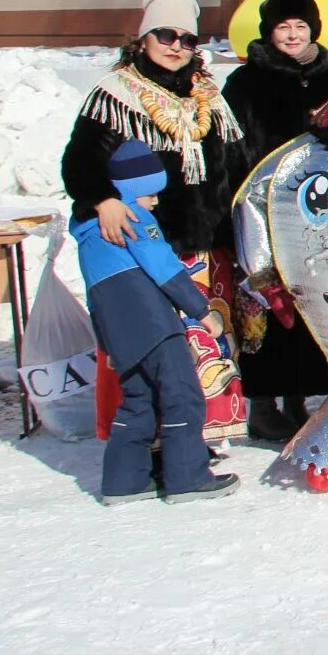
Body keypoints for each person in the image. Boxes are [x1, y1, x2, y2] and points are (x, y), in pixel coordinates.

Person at [62, 0, 247, 447]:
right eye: (166, 35)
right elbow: (79, 160)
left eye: (188, 39)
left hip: (207, 244)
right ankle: (148, 438)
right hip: (145, 244)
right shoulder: (116, 95)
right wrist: (101, 200)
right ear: (144, 37)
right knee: (154, 345)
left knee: (209, 342)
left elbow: (237, 162)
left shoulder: (210, 97)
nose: (176, 47)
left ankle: (201, 437)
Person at [220, 0, 328, 443]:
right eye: (283, 27)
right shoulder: (244, 84)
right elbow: (229, 150)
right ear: (268, 32)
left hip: (320, 216)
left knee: (313, 301)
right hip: (263, 212)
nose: (293, 35)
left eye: (300, 26)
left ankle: (300, 398)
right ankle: (263, 403)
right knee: (266, 303)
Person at [78, 141, 239, 505]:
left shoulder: (89, 231)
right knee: (181, 394)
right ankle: (188, 477)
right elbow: (165, 269)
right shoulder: (134, 218)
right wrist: (202, 310)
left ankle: (124, 481)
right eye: (150, 193)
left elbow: (95, 294)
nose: (155, 202)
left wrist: (107, 342)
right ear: (132, 191)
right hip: (152, 322)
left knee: (139, 398)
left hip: (117, 328)